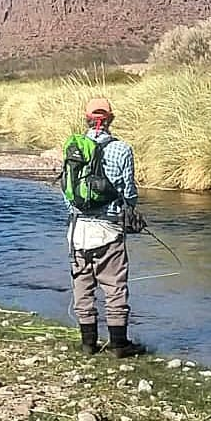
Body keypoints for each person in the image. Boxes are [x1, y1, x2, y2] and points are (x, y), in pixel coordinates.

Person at [67, 97, 145, 358]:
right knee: (114, 288)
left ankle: (88, 344)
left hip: (77, 232)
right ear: (110, 119)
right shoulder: (123, 149)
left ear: (87, 119)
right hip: (109, 231)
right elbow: (129, 192)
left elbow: (67, 194)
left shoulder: (73, 147)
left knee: (83, 287)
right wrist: (129, 210)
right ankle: (118, 345)